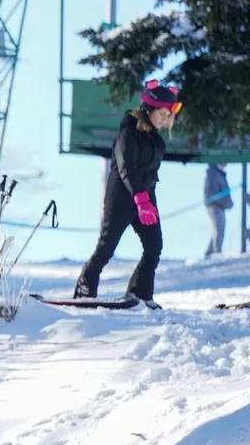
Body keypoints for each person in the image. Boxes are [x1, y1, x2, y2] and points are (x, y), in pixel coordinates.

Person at [74, 80, 181, 308]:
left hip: (145, 200)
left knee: (154, 246)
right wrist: (140, 198)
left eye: (167, 115)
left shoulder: (157, 141)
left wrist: (148, 201)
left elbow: (150, 174)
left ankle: (140, 293)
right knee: (106, 248)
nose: (164, 119)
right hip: (122, 199)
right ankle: (84, 288)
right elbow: (126, 169)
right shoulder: (128, 133)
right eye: (161, 113)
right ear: (148, 110)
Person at [204, 163, 234, 258]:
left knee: (218, 229)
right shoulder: (213, 174)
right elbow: (211, 193)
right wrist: (226, 202)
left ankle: (210, 252)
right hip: (215, 206)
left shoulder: (219, 173)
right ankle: (216, 252)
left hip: (220, 206)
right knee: (218, 229)